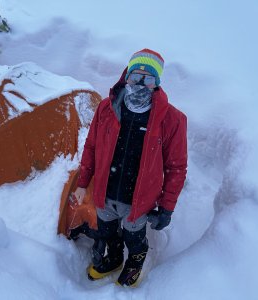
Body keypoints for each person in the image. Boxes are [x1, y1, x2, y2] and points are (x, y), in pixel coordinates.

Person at [73, 49, 187, 287]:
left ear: (157, 83)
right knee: (107, 231)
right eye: (136, 75)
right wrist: (83, 182)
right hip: (105, 192)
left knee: (134, 235)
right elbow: (91, 147)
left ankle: (134, 262)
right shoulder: (107, 108)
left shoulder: (172, 119)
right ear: (127, 76)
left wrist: (166, 208)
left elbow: (176, 167)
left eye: (148, 78)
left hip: (139, 199)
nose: (141, 83)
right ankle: (114, 259)